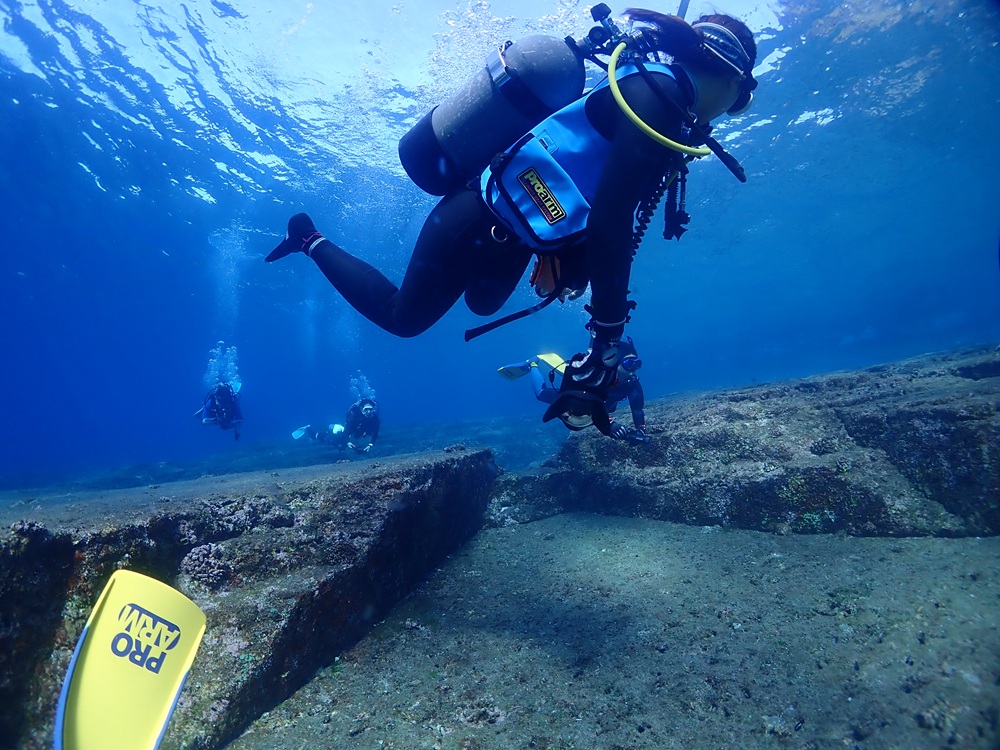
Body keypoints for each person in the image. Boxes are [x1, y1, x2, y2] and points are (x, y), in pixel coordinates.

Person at [265, 8, 757, 436]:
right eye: (740, 100)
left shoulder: (656, 93)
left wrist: (561, 253)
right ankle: (308, 236)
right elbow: (611, 220)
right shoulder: (657, 97)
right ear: (736, 81)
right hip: (475, 216)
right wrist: (607, 338)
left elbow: (594, 196)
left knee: (483, 304)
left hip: (516, 235)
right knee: (404, 319)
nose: (730, 111)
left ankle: (492, 247)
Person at [501, 337, 648, 442]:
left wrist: (640, 430)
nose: (633, 370)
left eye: (637, 364)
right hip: (574, 393)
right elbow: (578, 409)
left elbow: (637, 410)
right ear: (615, 362)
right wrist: (608, 423)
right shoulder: (595, 377)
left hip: (600, 402)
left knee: (609, 406)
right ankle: (532, 364)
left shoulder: (631, 383)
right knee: (540, 393)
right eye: (629, 363)